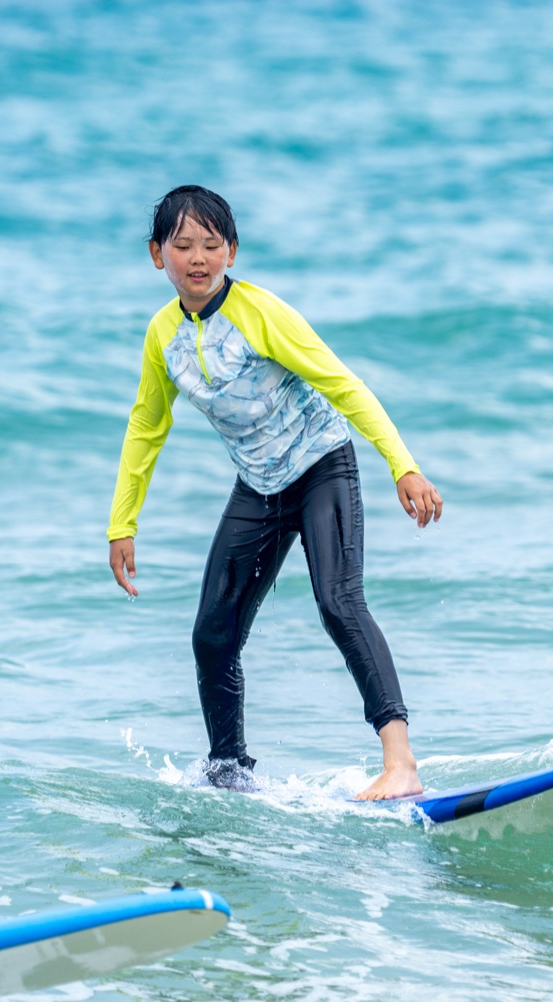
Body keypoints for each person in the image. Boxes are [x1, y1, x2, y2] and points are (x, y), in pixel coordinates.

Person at [106, 185, 442, 800]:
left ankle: (401, 763)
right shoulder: (163, 336)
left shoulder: (262, 313)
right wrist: (121, 524)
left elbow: (342, 384)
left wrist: (404, 467)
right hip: (259, 485)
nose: (198, 258)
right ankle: (228, 773)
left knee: (339, 603)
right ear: (158, 255)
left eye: (212, 244)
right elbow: (147, 426)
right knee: (212, 633)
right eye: (183, 245)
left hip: (321, 467)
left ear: (231, 251)